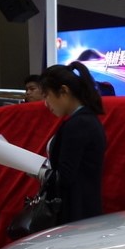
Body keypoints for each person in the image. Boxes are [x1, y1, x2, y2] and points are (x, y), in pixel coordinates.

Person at [40, 61, 107, 225]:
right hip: (82, 209)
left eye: (46, 95)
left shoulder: (78, 124)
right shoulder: (85, 120)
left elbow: (65, 177)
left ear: (64, 91)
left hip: (74, 213)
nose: (45, 103)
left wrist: (38, 171)